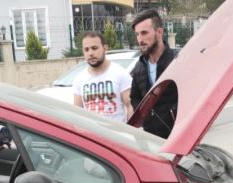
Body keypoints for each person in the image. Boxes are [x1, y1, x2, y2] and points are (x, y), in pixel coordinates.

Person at [129, 9, 179, 138]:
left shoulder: (177, 60)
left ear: (159, 32)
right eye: (137, 34)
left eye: (144, 33)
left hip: (178, 136)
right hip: (151, 138)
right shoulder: (139, 66)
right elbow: (134, 97)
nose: (140, 39)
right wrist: (143, 116)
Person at [73, 31, 134, 123]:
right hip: (91, 135)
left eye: (94, 48)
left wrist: (130, 130)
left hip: (116, 135)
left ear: (105, 48)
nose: (90, 53)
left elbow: (131, 105)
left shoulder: (120, 73)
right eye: (86, 49)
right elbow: (77, 112)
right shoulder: (79, 79)